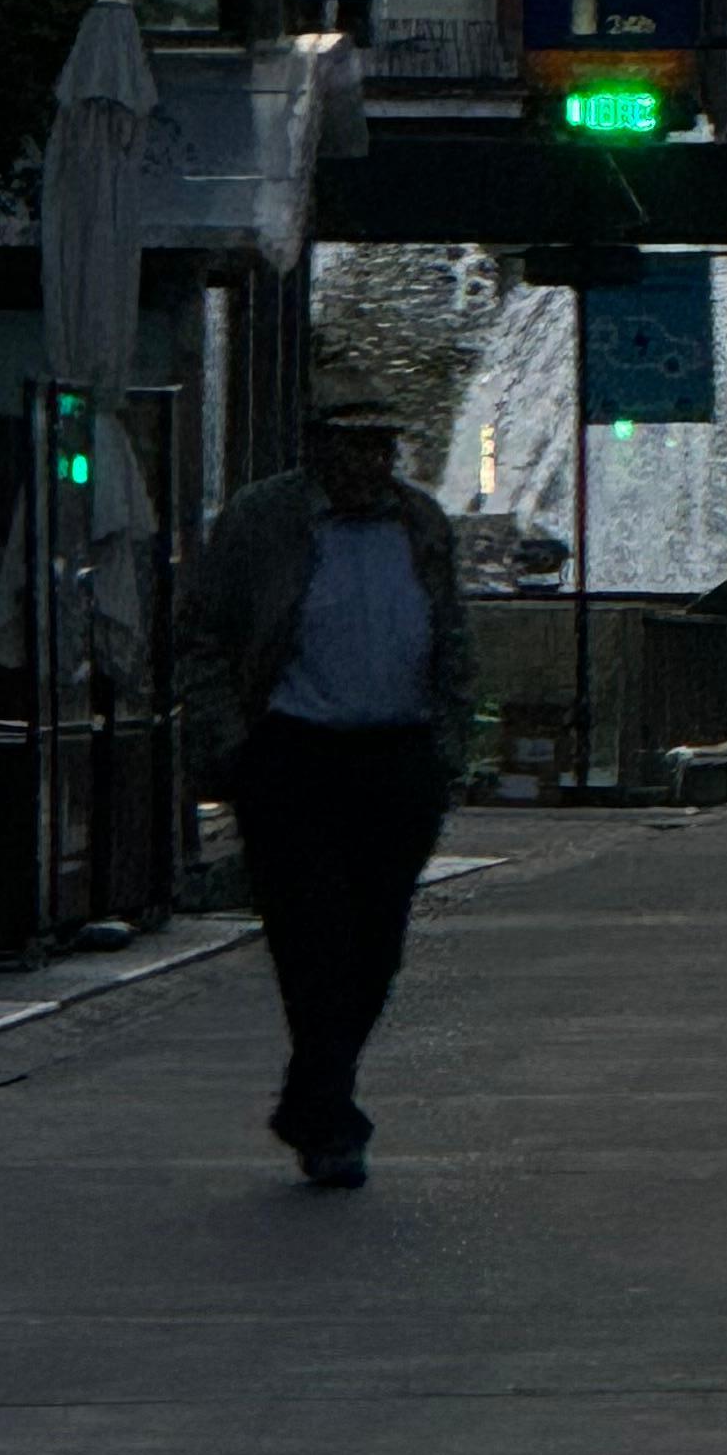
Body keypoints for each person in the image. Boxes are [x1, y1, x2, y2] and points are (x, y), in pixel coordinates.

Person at [178, 364, 475, 1190]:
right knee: (311, 942)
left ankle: (314, 1100)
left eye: (384, 446)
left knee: (376, 946)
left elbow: (451, 633)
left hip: (397, 756)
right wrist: (235, 748)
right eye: (355, 446)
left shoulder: (419, 523)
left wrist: (450, 745)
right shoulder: (261, 522)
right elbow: (201, 638)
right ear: (317, 449)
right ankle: (330, 1116)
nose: (373, 463)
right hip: (294, 756)